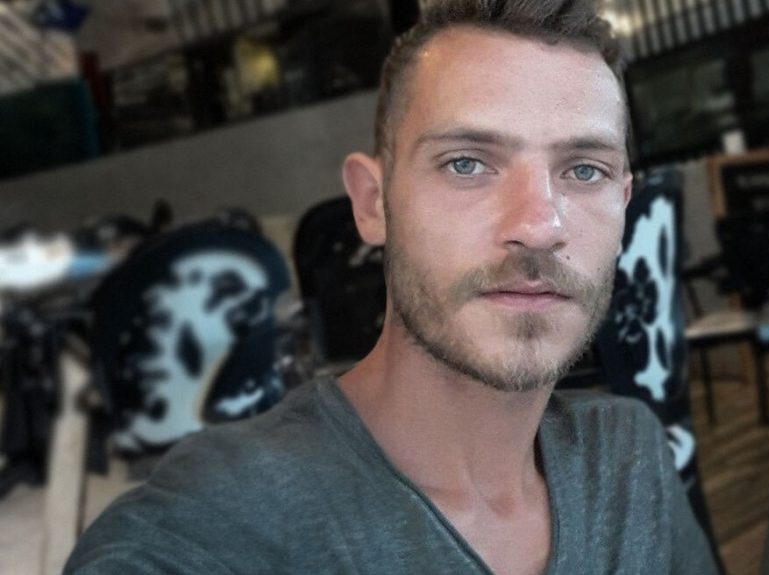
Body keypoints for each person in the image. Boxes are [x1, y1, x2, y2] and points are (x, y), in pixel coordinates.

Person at [65, 0, 718, 573]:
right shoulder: (221, 521)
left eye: (584, 170)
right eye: (467, 163)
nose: (540, 226)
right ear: (373, 203)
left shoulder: (627, 454)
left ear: (623, 206)